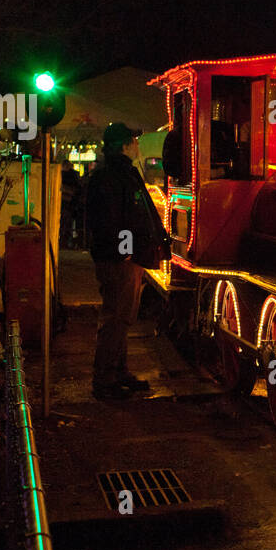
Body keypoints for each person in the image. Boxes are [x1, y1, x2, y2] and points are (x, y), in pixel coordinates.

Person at [85, 123, 170, 400]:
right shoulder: (114, 177)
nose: (137, 145)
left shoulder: (119, 174)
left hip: (123, 257)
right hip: (119, 260)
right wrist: (125, 252)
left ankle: (118, 371)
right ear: (124, 145)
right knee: (116, 318)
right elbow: (113, 220)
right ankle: (106, 378)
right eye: (133, 141)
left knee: (121, 318)